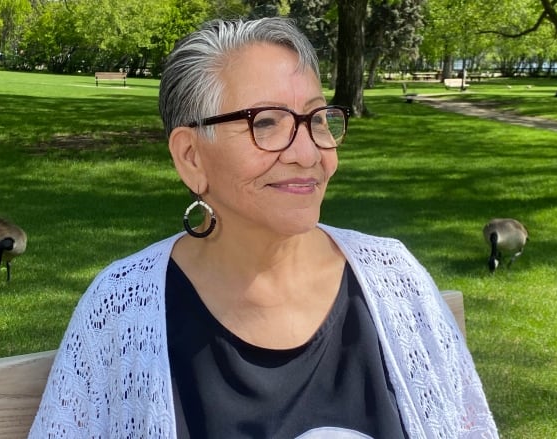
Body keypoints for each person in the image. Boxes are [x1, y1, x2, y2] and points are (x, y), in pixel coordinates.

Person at [30, 17, 498, 439]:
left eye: (317, 119)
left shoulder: (396, 279)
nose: (309, 153)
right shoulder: (119, 309)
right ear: (191, 157)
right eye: (267, 122)